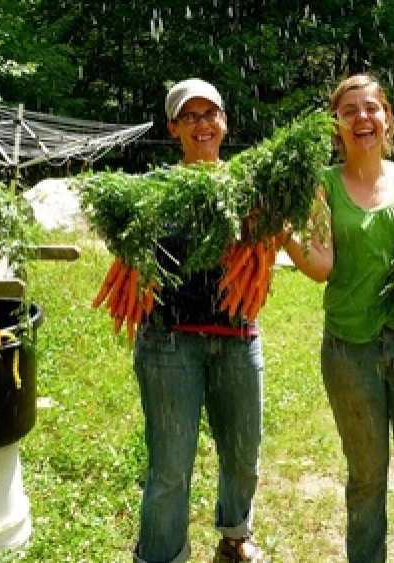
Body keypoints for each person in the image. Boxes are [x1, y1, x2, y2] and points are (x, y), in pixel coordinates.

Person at [284, 73, 394, 562]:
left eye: (372, 108)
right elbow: (321, 265)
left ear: (387, 119)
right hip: (350, 350)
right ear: (336, 125)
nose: (362, 117)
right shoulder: (324, 186)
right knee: (365, 483)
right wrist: (281, 235)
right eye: (350, 110)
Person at [131, 78, 266, 563]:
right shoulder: (153, 190)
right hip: (170, 342)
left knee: (242, 454)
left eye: (211, 114)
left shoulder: (250, 187)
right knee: (170, 467)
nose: (203, 124)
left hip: (238, 337)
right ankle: (162, 555)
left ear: (225, 122)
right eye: (191, 116)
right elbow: (132, 258)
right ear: (173, 128)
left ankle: (235, 534)